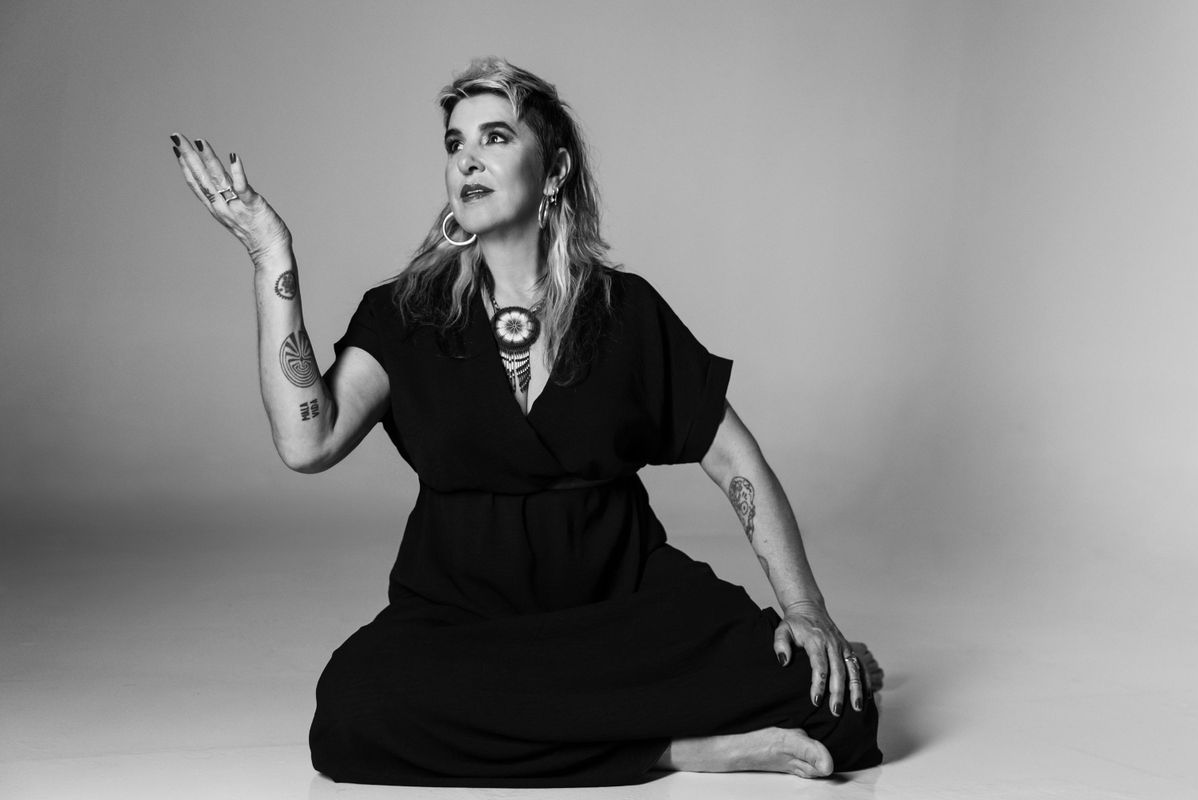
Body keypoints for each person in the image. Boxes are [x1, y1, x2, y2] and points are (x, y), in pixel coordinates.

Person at [170, 57, 884, 788]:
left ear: (554, 172)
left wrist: (806, 610)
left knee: (844, 710)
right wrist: (271, 255)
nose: (467, 159)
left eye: (495, 137)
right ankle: (672, 749)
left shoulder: (626, 311)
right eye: (454, 143)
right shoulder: (404, 315)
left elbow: (735, 462)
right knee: (354, 711)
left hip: (621, 609)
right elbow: (307, 441)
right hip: (465, 618)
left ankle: (579, 727)